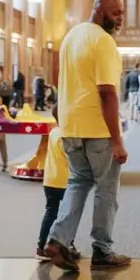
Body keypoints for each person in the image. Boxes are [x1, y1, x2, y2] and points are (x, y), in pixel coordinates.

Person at [43, 0, 130, 272]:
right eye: (115, 13)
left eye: (122, 14)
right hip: (97, 131)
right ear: (98, 10)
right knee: (106, 189)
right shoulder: (103, 42)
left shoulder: (72, 36)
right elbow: (107, 93)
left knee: (78, 183)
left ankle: (58, 239)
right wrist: (117, 140)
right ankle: (102, 251)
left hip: (70, 127)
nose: (119, 19)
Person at [34, 104, 81, 262]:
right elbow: (71, 159)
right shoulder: (66, 136)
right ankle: (67, 246)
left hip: (50, 180)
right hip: (65, 181)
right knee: (70, 215)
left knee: (51, 213)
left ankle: (40, 248)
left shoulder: (54, 132)